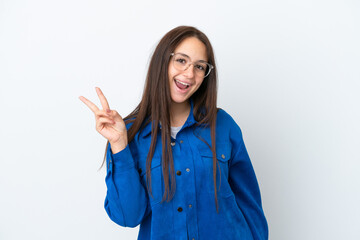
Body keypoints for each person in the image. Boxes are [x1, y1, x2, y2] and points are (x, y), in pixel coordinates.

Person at [79, 26, 268, 240]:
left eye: (199, 66)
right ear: (163, 62)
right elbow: (128, 217)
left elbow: (250, 206)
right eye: (181, 60)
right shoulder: (130, 133)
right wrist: (120, 145)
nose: (189, 73)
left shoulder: (223, 125)